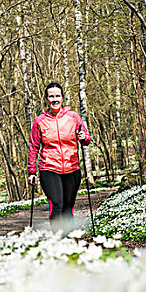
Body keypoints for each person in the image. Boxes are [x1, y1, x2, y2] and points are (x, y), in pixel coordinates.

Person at [27, 82, 91, 227]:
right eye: (51, 96)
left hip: (72, 168)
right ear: (46, 99)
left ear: (62, 98)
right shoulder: (39, 121)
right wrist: (32, 171)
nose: (54, 99)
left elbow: (86, 139)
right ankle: (57, 241)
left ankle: (69, 241)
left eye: (57, 96)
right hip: (49, 168)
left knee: (68, 206)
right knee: (57, 203)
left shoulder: (73, 117)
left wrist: (83, 138)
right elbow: (33, 146)